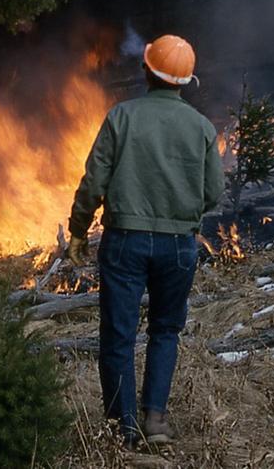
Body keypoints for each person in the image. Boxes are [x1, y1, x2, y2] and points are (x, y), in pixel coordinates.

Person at [66, 33, 225, 448]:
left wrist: (78, 231)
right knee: (165, 331)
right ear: (186, 81)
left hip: (125, 242)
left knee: (118, 334)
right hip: (178, 246)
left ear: (146, 72)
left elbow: (94, 182)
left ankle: (123, 428)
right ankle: (155, 420)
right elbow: (213, 194)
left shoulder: (122, 117)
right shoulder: (202, 128)